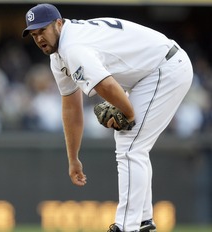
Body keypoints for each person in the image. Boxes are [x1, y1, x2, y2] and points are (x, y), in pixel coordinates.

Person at [22, 3, 193, 232]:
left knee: (130, 146)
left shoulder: (72, 46)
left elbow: (106, 85)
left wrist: (128, 113)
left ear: (59, 24)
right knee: (132, 145)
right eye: (34, 34)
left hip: (165, 67)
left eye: (42, 30)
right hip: (150, 73)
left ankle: (128, 226)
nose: (39, 38)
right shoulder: (59, 55)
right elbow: (71, 108)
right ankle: (142, 222)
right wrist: (73, 157)